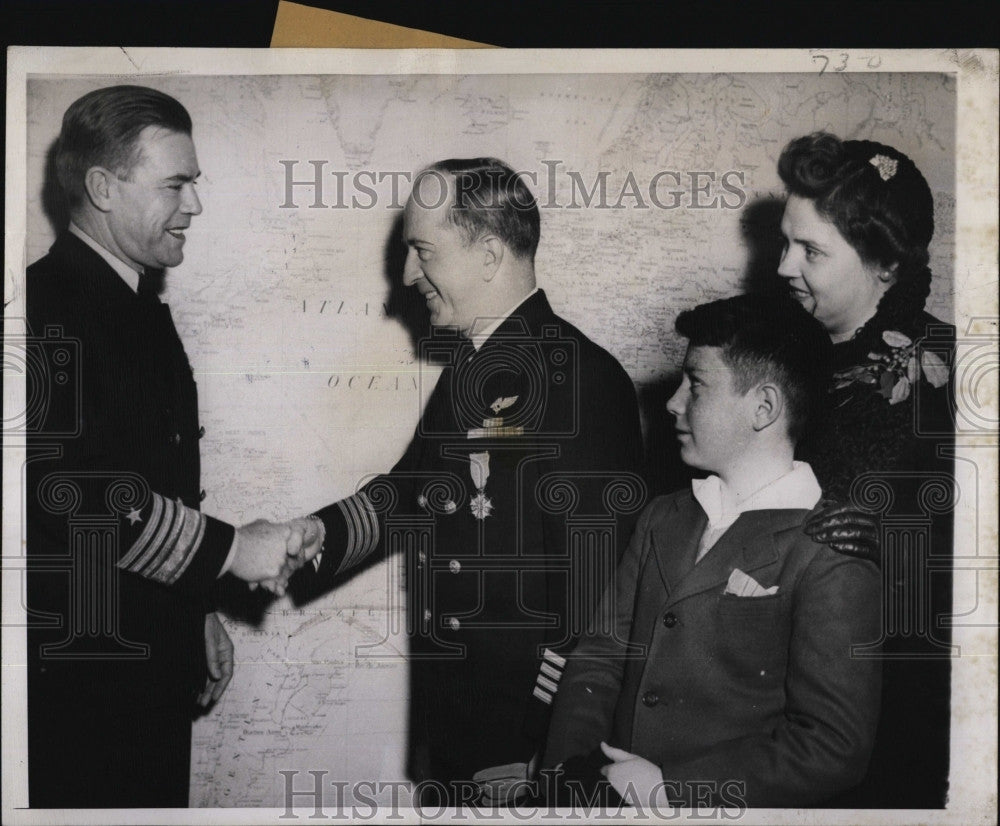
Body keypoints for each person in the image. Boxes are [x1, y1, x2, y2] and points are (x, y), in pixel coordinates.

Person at [287, 158, 646, 804]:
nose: (406, 276)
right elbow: (408, 494)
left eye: (424, 251)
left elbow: (597, 595)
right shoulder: (472, 371)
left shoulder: (581, 382)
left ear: (487, 254)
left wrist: (546, 752)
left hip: (518, 746)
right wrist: (311, 536)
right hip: (456, 728)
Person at [26, 85, 318, 808]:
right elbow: (63, 494)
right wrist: (230, 552)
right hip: (80, 679)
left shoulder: (134, 304)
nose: (195, 205)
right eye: (175, 184)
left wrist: (193, 612)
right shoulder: (44, 311)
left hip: (142, 658)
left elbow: (153, 475)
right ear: (102, 187)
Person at [541, 293, 882, 809]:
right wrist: (566, 780)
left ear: (763, 408)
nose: (673, 402)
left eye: (696, 384)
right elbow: (600, 660)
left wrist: (669, 788)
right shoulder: (664, 516)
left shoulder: (830, 551)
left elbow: (831, 747)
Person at [776, 132, 955, 808]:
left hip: (898, 715)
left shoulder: (956, 374)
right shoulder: (781, 353)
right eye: (784, 241)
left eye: (811, 251)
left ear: (884, 263)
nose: (783, 266)